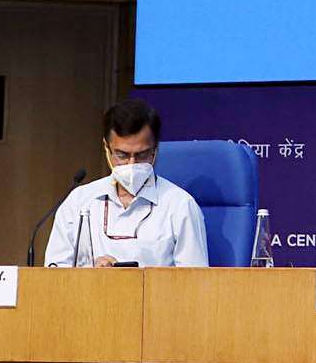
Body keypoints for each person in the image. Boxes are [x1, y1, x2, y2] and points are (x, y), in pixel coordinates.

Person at [44, 99, 209, 267]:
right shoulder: (79, 201)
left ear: (155, 150)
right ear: (107, 148)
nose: (132, 164)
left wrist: (130, 279)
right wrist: (92, 275)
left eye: (141, 155)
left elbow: (194, 279)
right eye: (122, 155)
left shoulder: (180, 205)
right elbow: (55, 272)